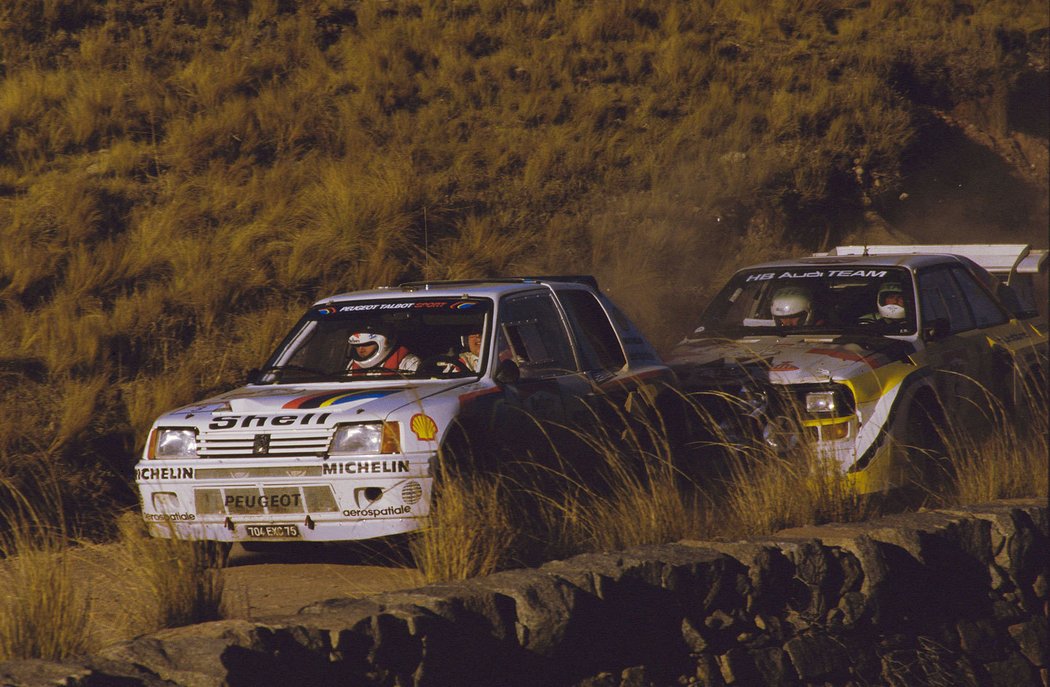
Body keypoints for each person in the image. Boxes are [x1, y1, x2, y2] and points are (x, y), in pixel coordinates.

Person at [346, 328, 420, 373]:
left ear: (385, 343)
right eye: (357, 346)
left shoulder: (408, 363)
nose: (361, 349)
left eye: (367, 344)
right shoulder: (352, 365)